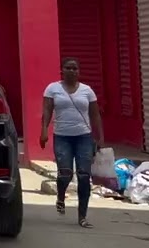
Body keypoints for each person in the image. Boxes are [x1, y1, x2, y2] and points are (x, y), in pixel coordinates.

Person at [40, 57, 104, 228]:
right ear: (62, 70)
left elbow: (95, 114)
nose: (72, 71)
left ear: (79, 71)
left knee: (84, 176)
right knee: (65, 172)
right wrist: (44, 130)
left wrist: (100, 136)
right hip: (62, 137)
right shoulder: (52, 88)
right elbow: (47, 110)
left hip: (84, 137)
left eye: (75, 68)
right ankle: (61, 196)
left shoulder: (87, 91)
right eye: (68, 68)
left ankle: (82, 216)